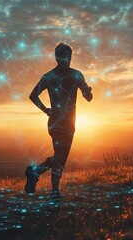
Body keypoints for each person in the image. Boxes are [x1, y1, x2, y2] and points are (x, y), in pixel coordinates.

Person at [25, 42, 93, 199]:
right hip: (68, 122)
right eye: (67, 56)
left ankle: (53, 189)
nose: (67, 59)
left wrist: (46, 110)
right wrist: (88, 92)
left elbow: (33, 96)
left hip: (54, 121)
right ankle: (37, 173)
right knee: (61, 157)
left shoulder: (48, 76)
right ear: (69, 56)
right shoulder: (76, 75)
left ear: (56, 57)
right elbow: (88, 98)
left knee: (59, 156)